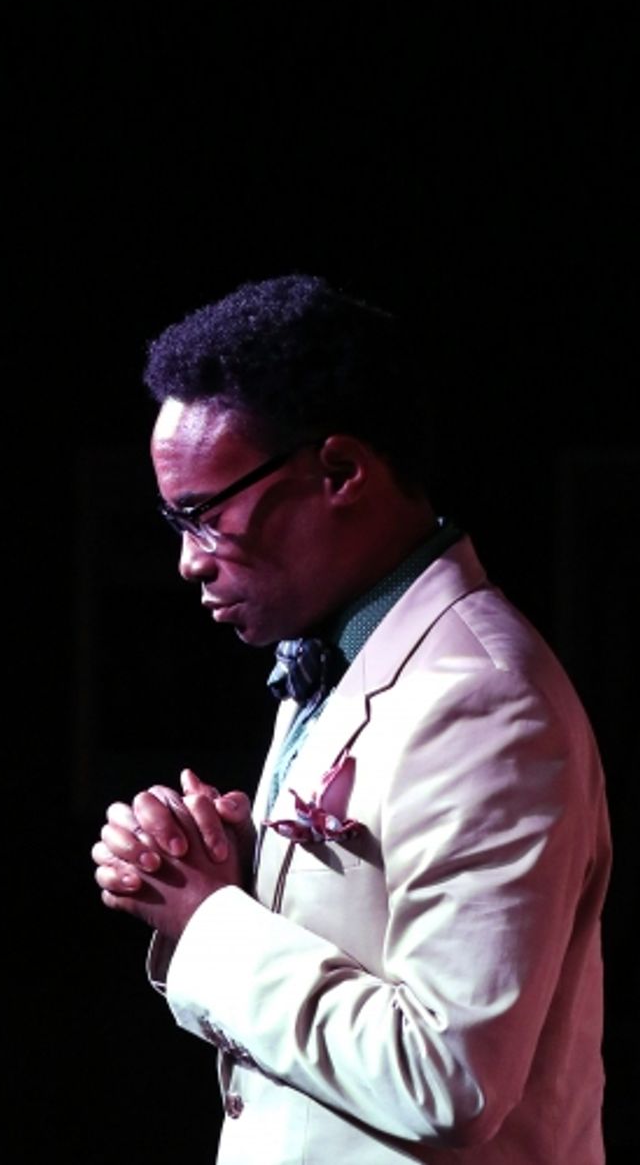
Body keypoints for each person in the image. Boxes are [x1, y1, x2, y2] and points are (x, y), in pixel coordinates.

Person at [91, 274, 611, 1163]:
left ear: (339, 472)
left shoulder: (483, 700)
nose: (187, 562)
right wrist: (230, 871)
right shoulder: (338, 655)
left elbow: (452, 1075)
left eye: (205, 517)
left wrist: (210, 917)